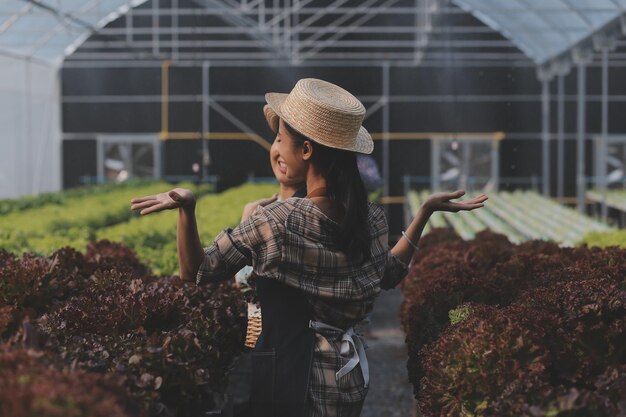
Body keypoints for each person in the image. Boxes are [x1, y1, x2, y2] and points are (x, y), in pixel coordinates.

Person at [130, 78, 487, 417]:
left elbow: (196, 274)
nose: (277, 148)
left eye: (281, 139)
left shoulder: (276, 220)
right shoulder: (371, 219)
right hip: (347, 379)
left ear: (305, 149)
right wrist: (424, 213)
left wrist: (187, 209)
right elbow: (389, 274)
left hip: (289, 378)